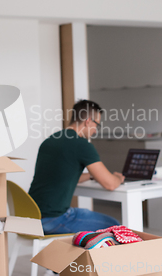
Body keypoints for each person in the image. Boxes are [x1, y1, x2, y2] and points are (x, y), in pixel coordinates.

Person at [28, 100, 125, 234]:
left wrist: (92, 175)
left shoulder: (50, 140)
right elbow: (110, 184)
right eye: (97, 125)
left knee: (82, 213)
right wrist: (118, 178)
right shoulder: (81, 145)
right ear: (88, 121)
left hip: (31, 216)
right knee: (114, 226)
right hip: (54, 219)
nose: (95, 130)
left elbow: (62, 175)